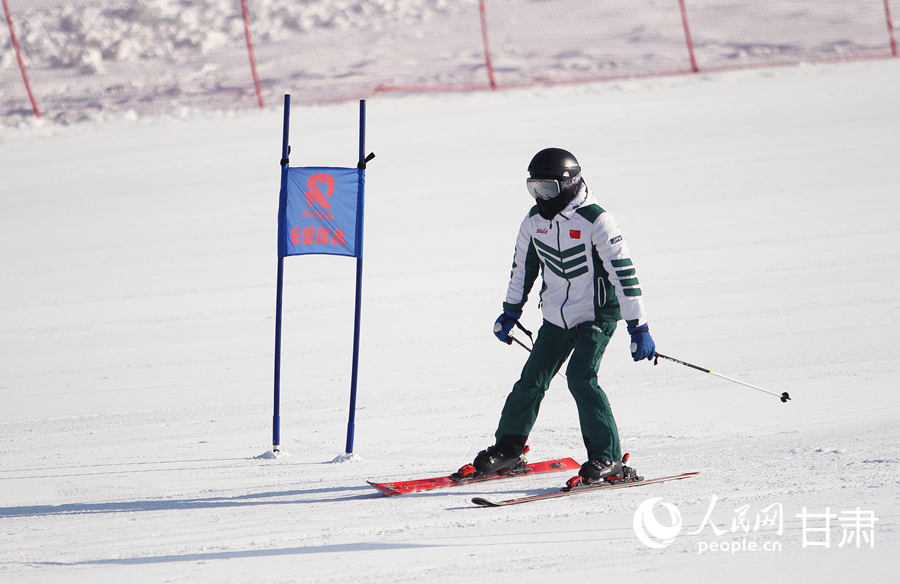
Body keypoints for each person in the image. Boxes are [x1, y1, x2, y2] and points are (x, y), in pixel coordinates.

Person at [456, 148, 656, 485]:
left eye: (546, 189)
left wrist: (639, 326)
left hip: (596, 315)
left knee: (581, 378)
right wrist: (510, 310)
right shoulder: (534, 222)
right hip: (555, 318)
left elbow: (624, 273)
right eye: (533, 188)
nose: (540, 197)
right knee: (530, 381)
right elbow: (523, 268)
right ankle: (509, 450)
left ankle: (607, 458)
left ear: (568, 184)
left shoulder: (597, 219)